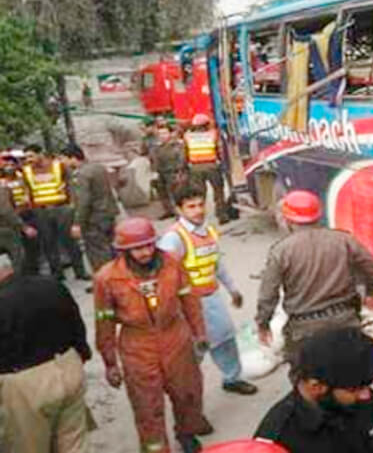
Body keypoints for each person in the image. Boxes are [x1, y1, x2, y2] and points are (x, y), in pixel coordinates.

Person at [94, 217, 210, 453]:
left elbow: (189, 300)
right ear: (125, 250)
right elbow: (104, 323)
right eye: (137, 248)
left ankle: (186, 433)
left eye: (148, 245)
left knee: (188, 393)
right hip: (138, 347)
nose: (145, 252)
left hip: (175, 337)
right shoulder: (107, 278)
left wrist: (199, 334)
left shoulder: (173, 264)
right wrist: (110, 363)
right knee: (147, 407)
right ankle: (156, 448)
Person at [255, 190, 373, 360]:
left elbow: (268, 294)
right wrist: (372, 292)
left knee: (307, 378)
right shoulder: (343, 240)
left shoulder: (281, 251)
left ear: (287, 219)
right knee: (348, 376)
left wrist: (263, 324)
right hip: (346, 321)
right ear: (318, 215)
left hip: (305, 329)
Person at [157, 180, 258, 396]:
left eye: (201, 204)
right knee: (192, 349)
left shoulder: (208, 232)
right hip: (187, 304)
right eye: (191, 206)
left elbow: (217, 263)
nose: (198, 210)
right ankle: (184, 390)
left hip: (210, 298)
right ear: (179, 209)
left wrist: (233, 289)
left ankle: (232, 378)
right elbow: (163, 277)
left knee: (225, 338)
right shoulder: (174, 238)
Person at [255, 326, 373, 453]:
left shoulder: (363, 398)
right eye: (355, 389)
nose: (366, 395)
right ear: (316, 386)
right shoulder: (276, 439)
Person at [0, 253, 93, 453]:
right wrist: (81, 355)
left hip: (25, 385)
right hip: (68, 367)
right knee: (75, 444)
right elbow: (76, 324)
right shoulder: (50, 285)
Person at [22, 144, 90, 281]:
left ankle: (80, 272)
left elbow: (70, 183)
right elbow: (27, 189)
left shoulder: (58, 166)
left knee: (69, 241)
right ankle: (57, 274)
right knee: (48, 243)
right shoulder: (26, 171)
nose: (28, 159)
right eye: (26, 157)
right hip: (41, 211)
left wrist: (71, 204)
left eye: (31, 156)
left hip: (61, 208)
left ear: (40, 153)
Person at [60, 144, 118, 274]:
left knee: (98, 253)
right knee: (111, 247)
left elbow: (83, 202)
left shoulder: (81, 175)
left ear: (73, 158)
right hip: (107, 214)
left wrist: (77, 223)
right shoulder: (97, 167)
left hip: (93, 219)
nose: (63, 163)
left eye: (64, 159)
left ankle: (105, 280)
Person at [183, 113, 231, 224]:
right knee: (218, 191)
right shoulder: (213, 134)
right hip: (211, 166)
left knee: (199, 194)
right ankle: (221, 215)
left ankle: (199, 216)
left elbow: (184, 154)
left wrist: (185, 168)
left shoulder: (188, 136)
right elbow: (219, 151)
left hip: (195, 168)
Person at [0, 155, 37, 273]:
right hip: (8, 222)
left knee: (29, 248)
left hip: (23, 213)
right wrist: (24, 227)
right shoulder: (2, 185)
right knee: (17, 255)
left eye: (11, 164)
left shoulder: (22, 178)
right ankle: (19, 280)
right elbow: (5, 209)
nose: (9, 168)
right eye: (6, 165)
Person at [151, 122, 187, 219]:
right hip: (161, 174)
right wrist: (154, 172)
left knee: (176, 195)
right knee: (163, 195)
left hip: (173, 172)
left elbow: (182, 159)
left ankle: (181, 214)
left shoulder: (177, 145)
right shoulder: (156, 147)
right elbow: (154, 160)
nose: (162, 136)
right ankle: (170, 211)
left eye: (164, 133)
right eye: (160, 134)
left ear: (170, 134)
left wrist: (179, 172)